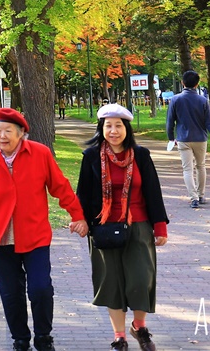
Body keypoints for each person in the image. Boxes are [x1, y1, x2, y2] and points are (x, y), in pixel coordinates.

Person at [0, 108, 88, 351]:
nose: (2, 136)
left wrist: (78, 216)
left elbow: (60, 187)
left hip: (35, 236)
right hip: (0, 238)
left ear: (21, 133)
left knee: (41, 289)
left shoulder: (40, 154)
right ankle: (20, 340)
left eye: (8, 131)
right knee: (11, 294)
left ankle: (44, 337)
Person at [77, 103, 169, 351]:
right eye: (109, 126)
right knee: (112, 283)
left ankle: (139, 326)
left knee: (141, 280)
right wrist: (81, 219)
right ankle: (119, 337)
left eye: (118, 125)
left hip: (138, 225)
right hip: (104, 228)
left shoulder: (141, 156)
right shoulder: (91, 157)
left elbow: (153, 192)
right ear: (101, 128)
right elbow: (82, 195)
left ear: (126, 128)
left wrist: (160, 227)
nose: (114, 131)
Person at [166, 70, 210, 208]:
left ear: (182, 83)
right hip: (200, 139)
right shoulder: (203, 100)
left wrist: (171, 138)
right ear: (197, 84)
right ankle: (201, 194)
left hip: (183, 139)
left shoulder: (175, 99)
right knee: (200, 166)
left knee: (187, 169)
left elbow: (170, 121)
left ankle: (194, 198)